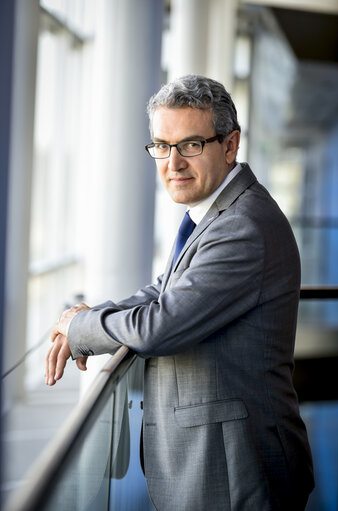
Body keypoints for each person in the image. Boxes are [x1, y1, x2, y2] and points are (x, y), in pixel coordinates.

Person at [45, 75, 314, 510]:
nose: (173, 162)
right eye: (162, 146)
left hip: (236, 470)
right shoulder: (215, 212)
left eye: (191, 145)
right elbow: (165, 289)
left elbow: (162, 325)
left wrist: (82, 327)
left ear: (230, 146)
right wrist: (88, 317)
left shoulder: (244, 226)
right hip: (219, 460)